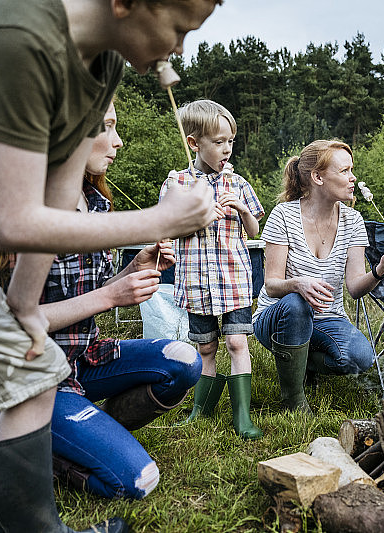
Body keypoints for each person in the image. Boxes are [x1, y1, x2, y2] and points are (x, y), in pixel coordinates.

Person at [0, 0, 222, 531]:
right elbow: (16, 224)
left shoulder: (99, 65)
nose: (178, 50)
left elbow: (56, 199)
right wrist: (160, 219)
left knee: (34, 374)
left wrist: (24, 309)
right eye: (179, 28)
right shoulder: (19, 40)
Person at [0, 100, 202, 500]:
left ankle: (88, 429)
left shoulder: (96, 203)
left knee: (184, 362)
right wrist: (110, 296)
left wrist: (133, 271)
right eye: (106, 128)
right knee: (138, 480)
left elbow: (85, 291)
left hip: (85, 358)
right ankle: (12, 431)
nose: (118, 141)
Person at [252, 140, 384, 413]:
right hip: (277, 317)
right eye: (345, 171)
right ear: (318, 177)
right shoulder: (283, 215)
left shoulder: (353, 220)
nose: (353, 177)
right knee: (295, 303)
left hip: (327, 319)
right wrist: (298, 284)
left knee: (359, 358)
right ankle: (293, 398)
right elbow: (272, 285)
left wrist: (381, 267)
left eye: (352, 169)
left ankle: (299, 363)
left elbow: (356, 288)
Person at [159, 100, 264, 440]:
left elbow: (253, 232)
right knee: (205, 347)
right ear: (194, 143)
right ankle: (200, 411)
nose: (226, 148)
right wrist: (197, 218)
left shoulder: (239, 183)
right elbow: (166, 228)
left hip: (232, 280)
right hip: (196, 281)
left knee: (236, 341)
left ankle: (243, 418)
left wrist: (242, 210)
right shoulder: (177, 183)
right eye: (218, 142)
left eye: (230, 141)